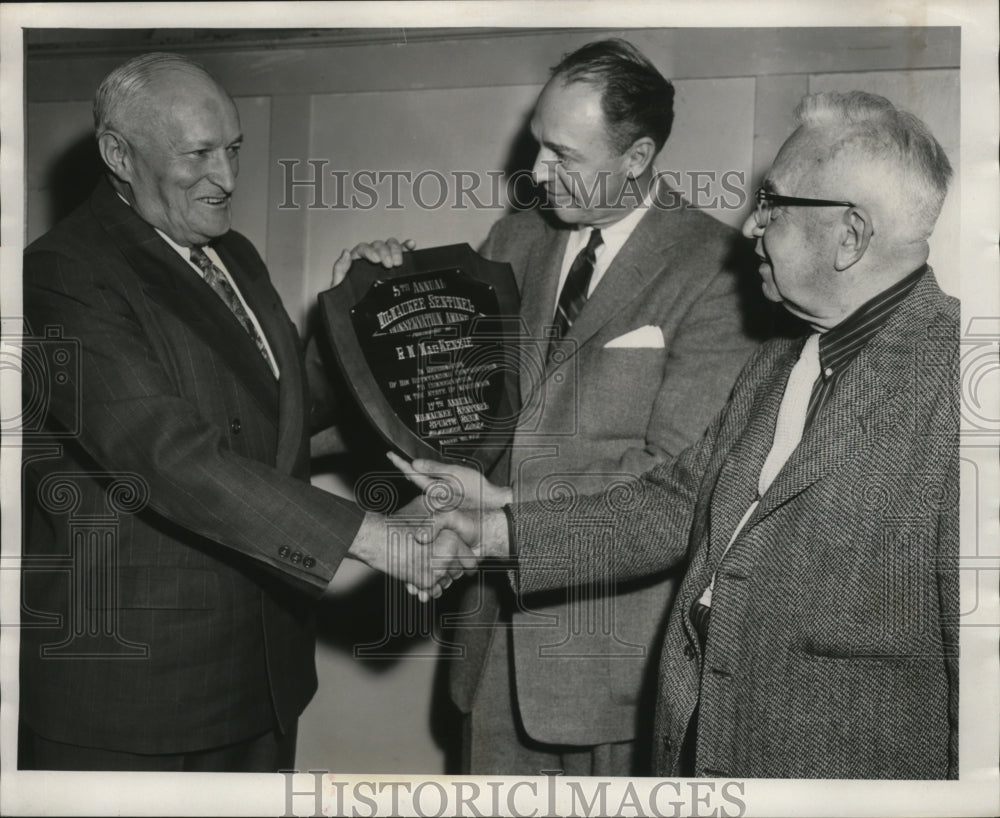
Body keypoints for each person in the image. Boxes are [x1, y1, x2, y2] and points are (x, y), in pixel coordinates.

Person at [414, 90, 959, 779]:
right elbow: (670, 506)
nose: (752, 224)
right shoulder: (780, 360)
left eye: (774, 202)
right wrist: (492, 531)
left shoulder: (964, 387)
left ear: (850, 235)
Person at [19, 52, 470, 772]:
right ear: (118, 154)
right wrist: (377, 539)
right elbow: (170, 455)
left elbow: (287, 414)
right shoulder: (64, 275)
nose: (227, 179)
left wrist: (355, 313)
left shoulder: (237, 257)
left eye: (232, 150)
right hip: (133, 696)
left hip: (260, 678)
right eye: (197, 155)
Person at [362, 38, 765, 775]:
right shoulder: (513, 241)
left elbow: (671, 484)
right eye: (536, 144)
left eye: (563, 156)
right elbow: (454, 407)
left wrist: (503, 512)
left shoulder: (720, 270)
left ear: (637, 157)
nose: (536, 172)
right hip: (487, 655)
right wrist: (370, 297)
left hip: (614, 669)